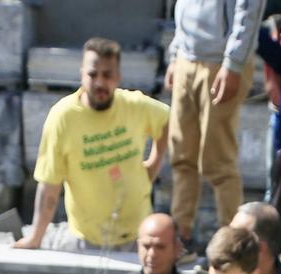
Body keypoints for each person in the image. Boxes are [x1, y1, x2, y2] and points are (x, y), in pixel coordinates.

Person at [14, 38, 169, 253]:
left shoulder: (136, 106)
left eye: (107, 75)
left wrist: (155, 162)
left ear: (118, 77)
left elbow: (169, 121)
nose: (99, 83)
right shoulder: (64, 117)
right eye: (92, 74)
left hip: (137, 237)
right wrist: (36, 238)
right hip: (86, 239)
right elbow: (49, 186)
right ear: (81, 74)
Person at [167, 0, 258, 247]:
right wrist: (175, 54)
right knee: (182, 155)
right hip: (188, 58)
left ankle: (232, 244)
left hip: (221, 64)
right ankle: (180, 236)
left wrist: (234, 64)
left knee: (219, 160)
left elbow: (249, 12)